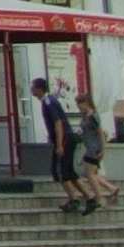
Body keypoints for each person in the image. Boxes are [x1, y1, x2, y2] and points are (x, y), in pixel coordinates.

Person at [33, 76, 78, 213]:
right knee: (69, 171)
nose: (31, 90)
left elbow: (58, 123)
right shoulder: (49, 100)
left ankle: (74, 199)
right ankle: (89, 197)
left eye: (33, 87)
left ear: (39, 89)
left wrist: (59, 145)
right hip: (66, 138)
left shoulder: (48, 102)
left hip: (64, 139)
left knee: (59, 171)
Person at [74, 93, 116, 211]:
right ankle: (110, 188)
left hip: (94, 148)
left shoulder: (93, 116)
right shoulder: (85, 116)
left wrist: (103, 150)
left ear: (86, 103)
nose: (79, 107)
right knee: (89, 173)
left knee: (89, 174)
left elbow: (100, 133)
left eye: (81, 104)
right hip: (89, 147)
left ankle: (99, 199)